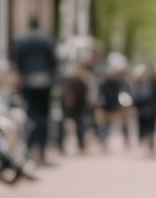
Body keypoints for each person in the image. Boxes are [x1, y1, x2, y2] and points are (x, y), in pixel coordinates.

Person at [11, 17, 58, 165]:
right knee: (44, 117)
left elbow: (16, 58)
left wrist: (19, 75)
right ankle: (41, 151)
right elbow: (53, 60)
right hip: (44, 81)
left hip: (27, 81)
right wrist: (53, 77)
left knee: (30, 114)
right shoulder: (46, 39)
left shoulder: (20, 39)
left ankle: (29, 149)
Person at [60, 56, 95, 153]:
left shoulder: (85, 75)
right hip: (72, 104)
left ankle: (79, 144)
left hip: (80, 103)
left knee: (80, 124)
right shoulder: (72, 76)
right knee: (66, 125)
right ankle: (63, 145)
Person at [130, 64, 156, 156]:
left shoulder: (154, 82)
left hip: (152, 108)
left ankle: (150, 146)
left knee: (151, 129)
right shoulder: (137, 82)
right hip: (142, 109)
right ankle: (145, 144)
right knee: (143, 128)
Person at [96, 62, 131, 151]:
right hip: (107, 107)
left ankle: (126, 142)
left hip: (120, 107)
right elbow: (100, 94)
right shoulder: (104, 82)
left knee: (124, 126)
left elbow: (127, 94)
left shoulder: (123, 82)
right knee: (105, 126)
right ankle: (103, 142)